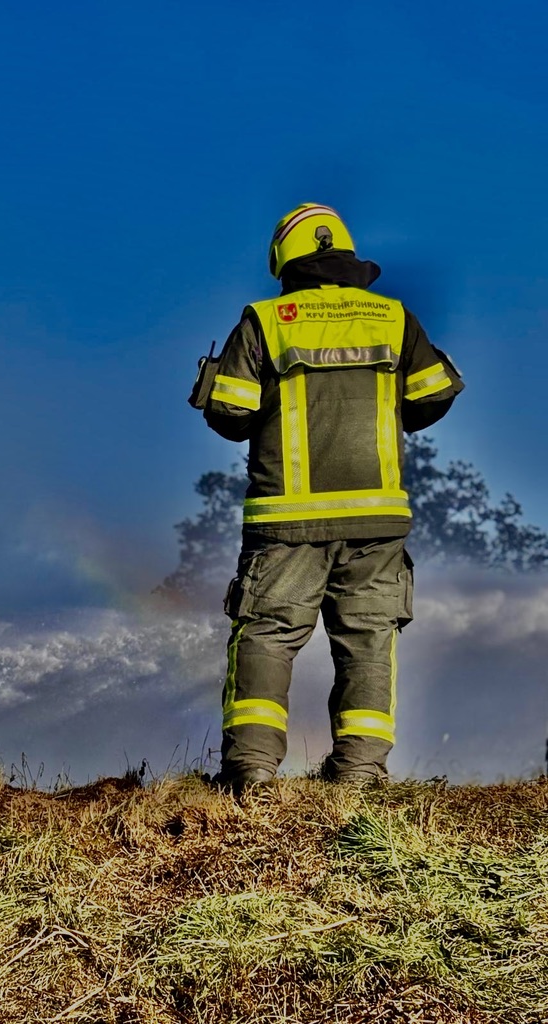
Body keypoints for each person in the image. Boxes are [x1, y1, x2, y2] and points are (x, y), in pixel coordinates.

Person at [200, 203, 464, 795]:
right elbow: (434, 395)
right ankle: (360, 775)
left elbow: (231, 413)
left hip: (285, 522)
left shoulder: (267, 321)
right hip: (376, 521)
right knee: (369, 641)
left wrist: (211, 383)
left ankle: (252, 773)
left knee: (268, 635)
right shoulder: (393, 317)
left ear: (283, 260)